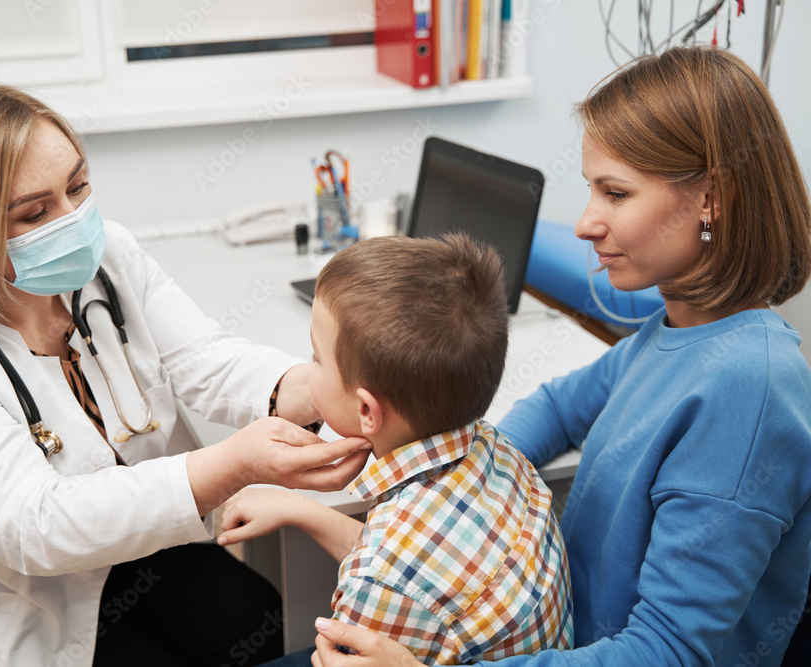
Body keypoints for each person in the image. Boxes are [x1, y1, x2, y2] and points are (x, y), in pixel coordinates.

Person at [306, 46, 811, 667]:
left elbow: (668, 653)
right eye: (591, 190)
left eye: (616, 193)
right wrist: (459, 491)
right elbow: (558, 407)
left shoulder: (748, 390)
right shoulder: (676, 329)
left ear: (712, 199)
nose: (585, 223)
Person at [0, 82, 372, 666]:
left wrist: (327, 387)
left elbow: (206, 359)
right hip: (1, 595)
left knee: (255, 620)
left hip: (124, 547)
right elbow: (33, 526)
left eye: (77, 186)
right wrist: (235, 463)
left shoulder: (105, 259)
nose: (74, 222)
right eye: (35, 213)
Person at [220, 233, 573, 665]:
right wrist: (300, 510)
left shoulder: (379, 577)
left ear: (366, 411)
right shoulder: (494, 449)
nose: (309, 368)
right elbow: (414, 565)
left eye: (315, 359)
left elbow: (384, 587)